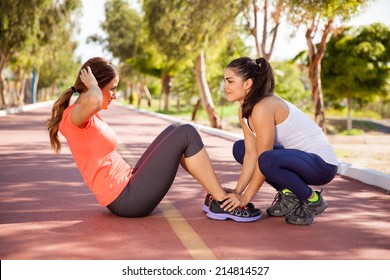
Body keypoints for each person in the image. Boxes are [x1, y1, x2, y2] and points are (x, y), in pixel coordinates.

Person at [46, 57, 261, 222]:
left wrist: (95, 88)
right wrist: (92, 86)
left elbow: (93, 99)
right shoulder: (75, 116)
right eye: (111, 89)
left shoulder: (87, 113)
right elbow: (93, 98)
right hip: (128, 200)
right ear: (95, 85)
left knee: (176, 129)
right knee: (186, 132)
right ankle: (223, 201)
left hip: (129, 185)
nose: (114, 95)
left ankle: (215, 196)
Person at [219, 57, 338, 225]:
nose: (225, 87)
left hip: (321, 165)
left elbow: (263, 158)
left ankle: (313, 200)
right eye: (225, 81)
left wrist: (245, 198)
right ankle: (289, 194)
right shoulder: (244, 110)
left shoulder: (263, 106)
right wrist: (237, 192)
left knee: (266, 158)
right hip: (296, 160)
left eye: (230, 81)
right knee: (241, 149)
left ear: (248, 84)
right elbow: (251, 154)